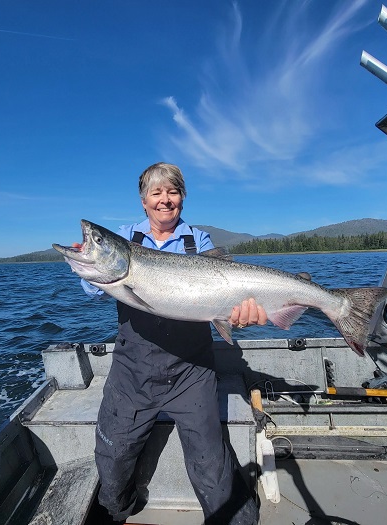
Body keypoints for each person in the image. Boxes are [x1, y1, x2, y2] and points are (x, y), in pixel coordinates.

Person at [77, 162, 266, 524]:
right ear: (143, 200)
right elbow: (93, 289)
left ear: (182, 198)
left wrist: (241, 312)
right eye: (156, 193)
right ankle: (120, 510)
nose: (166, 200)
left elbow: (224, 298)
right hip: (133, 374)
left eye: (173, 192)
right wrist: (91, 258)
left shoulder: (199, 241)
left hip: (191, 372)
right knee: (113, 456)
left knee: (211, 462)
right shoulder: (124, 238)